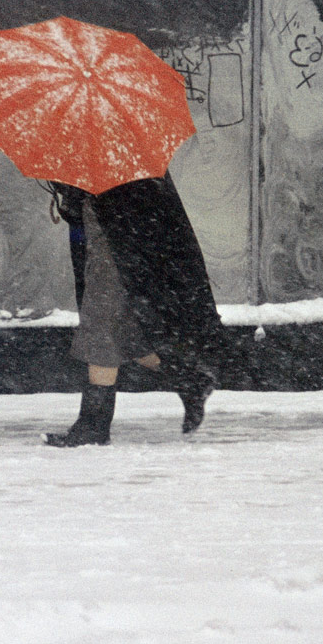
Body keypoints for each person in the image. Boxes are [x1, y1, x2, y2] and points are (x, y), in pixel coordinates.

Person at [42, 173, 224, 447]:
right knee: (126, 333)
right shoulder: (108, 154)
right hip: (107, 244)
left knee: (101, 328)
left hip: (116, 248)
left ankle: (94, 424)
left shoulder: (121, 159)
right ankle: (189, 379)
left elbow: (130, 207)